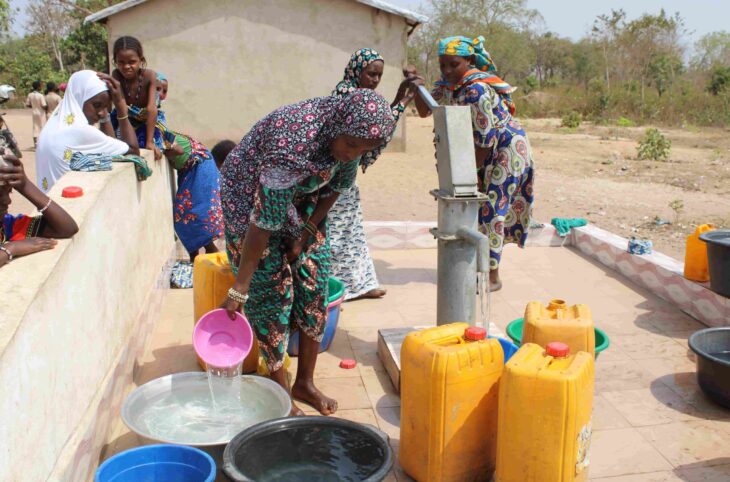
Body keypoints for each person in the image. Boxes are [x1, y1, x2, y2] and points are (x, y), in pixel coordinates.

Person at [220, 90, 395, 416]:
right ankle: (281, 395)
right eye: (351, 145)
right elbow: (263, 223)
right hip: (248, 201)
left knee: (314, 278)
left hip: (298, 199)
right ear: (337, 128)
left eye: (363, 150)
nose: (352, 154)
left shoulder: (351, 137)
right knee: (269, 292)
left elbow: (336, 188)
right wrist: (240, 286)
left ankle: (306, 383)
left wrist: (306, 231)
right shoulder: (294, 141)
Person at [413, 36, 535, 291]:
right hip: (482, 150)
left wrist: (466, 177)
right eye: (442, 64)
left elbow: (485, 141)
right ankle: (475, 265)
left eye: (453, 64)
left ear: (468, 61)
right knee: (474, 208)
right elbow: (426, 111)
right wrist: (417, 86)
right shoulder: (448, 85)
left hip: (505, 151)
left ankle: (492, 276)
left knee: (491, 210)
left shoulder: (476, 89)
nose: (447, 71)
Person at [328, 48, 418, 300]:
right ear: (357, 71)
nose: (375, 80)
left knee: (351, 233)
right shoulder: (346, 95)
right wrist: (402, 103)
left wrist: (400, 97)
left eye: (379, 76)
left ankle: (361, 285)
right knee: (334, 233)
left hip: (347, 175)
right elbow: (377, 129)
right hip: (334, 175)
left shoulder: (361, 96)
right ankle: (333, 291)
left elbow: (377, 126)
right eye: (370, 74)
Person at [36, 70, 140, 193]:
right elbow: (133, 151)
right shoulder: (81, 130)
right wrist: (121, 107)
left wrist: (103, 112)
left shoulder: (55, 122)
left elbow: (111, 142)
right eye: (96, 105)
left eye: (105, 107)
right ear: (80, 97)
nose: (102, 113)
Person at [0, 151, 79, 269]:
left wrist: (25, 186)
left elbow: (66, 228)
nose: (8, 201)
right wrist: (10, 249)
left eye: (9, 192)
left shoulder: (6, 225)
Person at [163, 132, 223, 262]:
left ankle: (208, 254)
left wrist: (165, 152)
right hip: (192, 168)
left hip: (200, 165)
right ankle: (195, 258)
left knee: (192, 211)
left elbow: (178, 150)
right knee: (187, 212)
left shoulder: (160, 134)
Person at [111, 36, 166, 160]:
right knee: (118, 146)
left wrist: (150, 142)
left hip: (148, 120)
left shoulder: (149, 76)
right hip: (124, 117)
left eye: (132, 62)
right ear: (115, 61)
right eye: (121, 62)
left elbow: (152, 109)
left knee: (160, 145)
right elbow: (121, 106)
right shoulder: (116, 75)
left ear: (141, 60)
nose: (126, 66)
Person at [25, 80, 47, 148]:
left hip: (34, 112)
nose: (41, 87)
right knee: (42, 127)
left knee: (35, 127)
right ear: (38, 87)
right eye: (40, 86)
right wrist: (47, 107)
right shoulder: (40, 95)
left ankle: (35, 144)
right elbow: (44, 105)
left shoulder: (30, 94)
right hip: (41, 113)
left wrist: (34, 106)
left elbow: (28, 105)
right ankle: (42, 144)